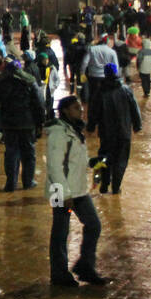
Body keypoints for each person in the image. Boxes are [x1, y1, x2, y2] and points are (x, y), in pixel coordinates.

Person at [45, 96, 107, 287]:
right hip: (59, 190)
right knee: (60, 232)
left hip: (77, 188)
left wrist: (93, 162)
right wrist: (64, 194)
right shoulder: (59, 133)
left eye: (80, 107)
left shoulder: (74, 130)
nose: (80, 110)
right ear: (64, 111)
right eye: (76, 108)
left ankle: (85, 266)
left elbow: (74, 160)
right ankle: (59, 274)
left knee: (93, 225)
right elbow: (55, 166)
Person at [0, 60, 45, 192]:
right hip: (27, 123)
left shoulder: (2, 83)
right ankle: (28, 181)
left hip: (9, 124)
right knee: (29, 153)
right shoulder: (30, 81)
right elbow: (39, 103)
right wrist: (40, 122)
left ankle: (11, 183)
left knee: (11, 153)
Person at [86, 63, 141, 194]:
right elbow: (134, 108)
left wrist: (91, 126)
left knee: (105, 158)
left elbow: (93, 111)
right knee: (121, 160)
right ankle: (116, 187)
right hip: (124, 132)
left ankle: (104, 183)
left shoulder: (100, 92)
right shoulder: (126, 90)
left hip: (106, 133)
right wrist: (137, 125)